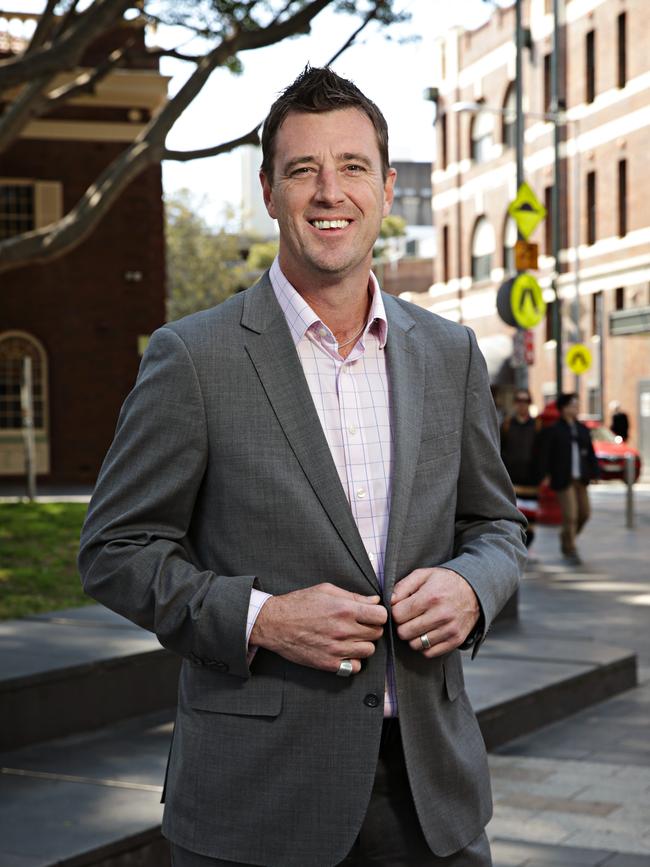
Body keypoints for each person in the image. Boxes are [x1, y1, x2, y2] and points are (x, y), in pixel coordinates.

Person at [78, 66, 526, 867]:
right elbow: (115, 549)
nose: (330, 192)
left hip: (433, 796)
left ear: (387, 188)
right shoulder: (194, 357)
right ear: (269, 190)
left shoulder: (450, 353)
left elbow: (494, 523)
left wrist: (473, 585)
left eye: (352, 166)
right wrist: (262, 618)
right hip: (256, 799)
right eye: (303, 170)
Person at [541, 392, 600, 566]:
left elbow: (590, 453)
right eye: (572, 405)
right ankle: (570, 548)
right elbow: (547, 455)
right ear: (563, 408)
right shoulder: (555, 430)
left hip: (580, 478)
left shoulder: (582, 430)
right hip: (563, 478)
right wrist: (545, 475)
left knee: (585, 513)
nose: (576, 408)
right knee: (571, 515)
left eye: (577, 405)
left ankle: (566, 536)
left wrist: (595, 472)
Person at [500, 388, 542, 549]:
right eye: (519, 400)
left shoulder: (537, 425)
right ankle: (516, 544)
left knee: (530, 516)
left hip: (531, 478)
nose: (522, 404)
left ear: (530, 403)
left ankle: (527, 543)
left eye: (525, 401)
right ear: (515, 403)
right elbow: (499, 449)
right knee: (514, 514)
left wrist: (543, 474)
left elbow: (542, 452)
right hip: (512, 478)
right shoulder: (507, 424)